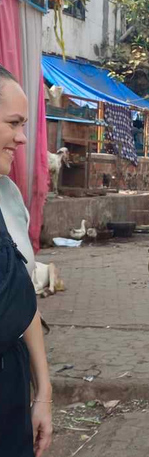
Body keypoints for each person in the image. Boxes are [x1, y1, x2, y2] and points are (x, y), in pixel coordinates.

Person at [0, 65, 53, 457]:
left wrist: (44, 391)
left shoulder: (9, 197)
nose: (22, 138)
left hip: (10, 389)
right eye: (14, 123)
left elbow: (24, 295)